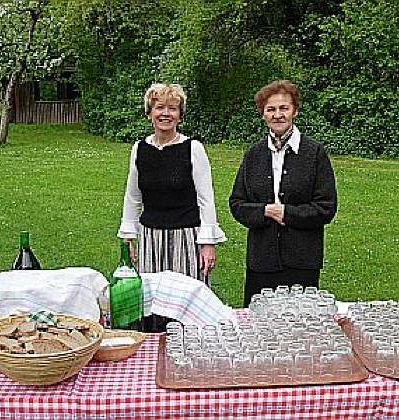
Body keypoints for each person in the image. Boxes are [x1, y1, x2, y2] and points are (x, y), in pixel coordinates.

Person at [118, 83, 227, 330]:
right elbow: (133, 196)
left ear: (180, 114)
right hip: (150, 238)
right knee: (151, 305)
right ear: (149, 112)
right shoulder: (139, 149)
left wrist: (207, 243)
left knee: (186, 307)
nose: (165, 113)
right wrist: (128, 237)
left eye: (172, 108)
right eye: (159, 107)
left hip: (186, 238)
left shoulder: (193, 149)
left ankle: (191, 349)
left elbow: (206, 199)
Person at [229, 80, 338, 307]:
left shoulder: (314, 153)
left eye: (284, 108)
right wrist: (265, 211)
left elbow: (326, 207)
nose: (277, 115)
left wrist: (287, 213)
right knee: (259, 322)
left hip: (302, 260)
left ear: (295, 111)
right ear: (263, 114)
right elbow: (237, 204)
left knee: (300, 322)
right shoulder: (254, 155)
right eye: (271, 109)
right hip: (261, 261)